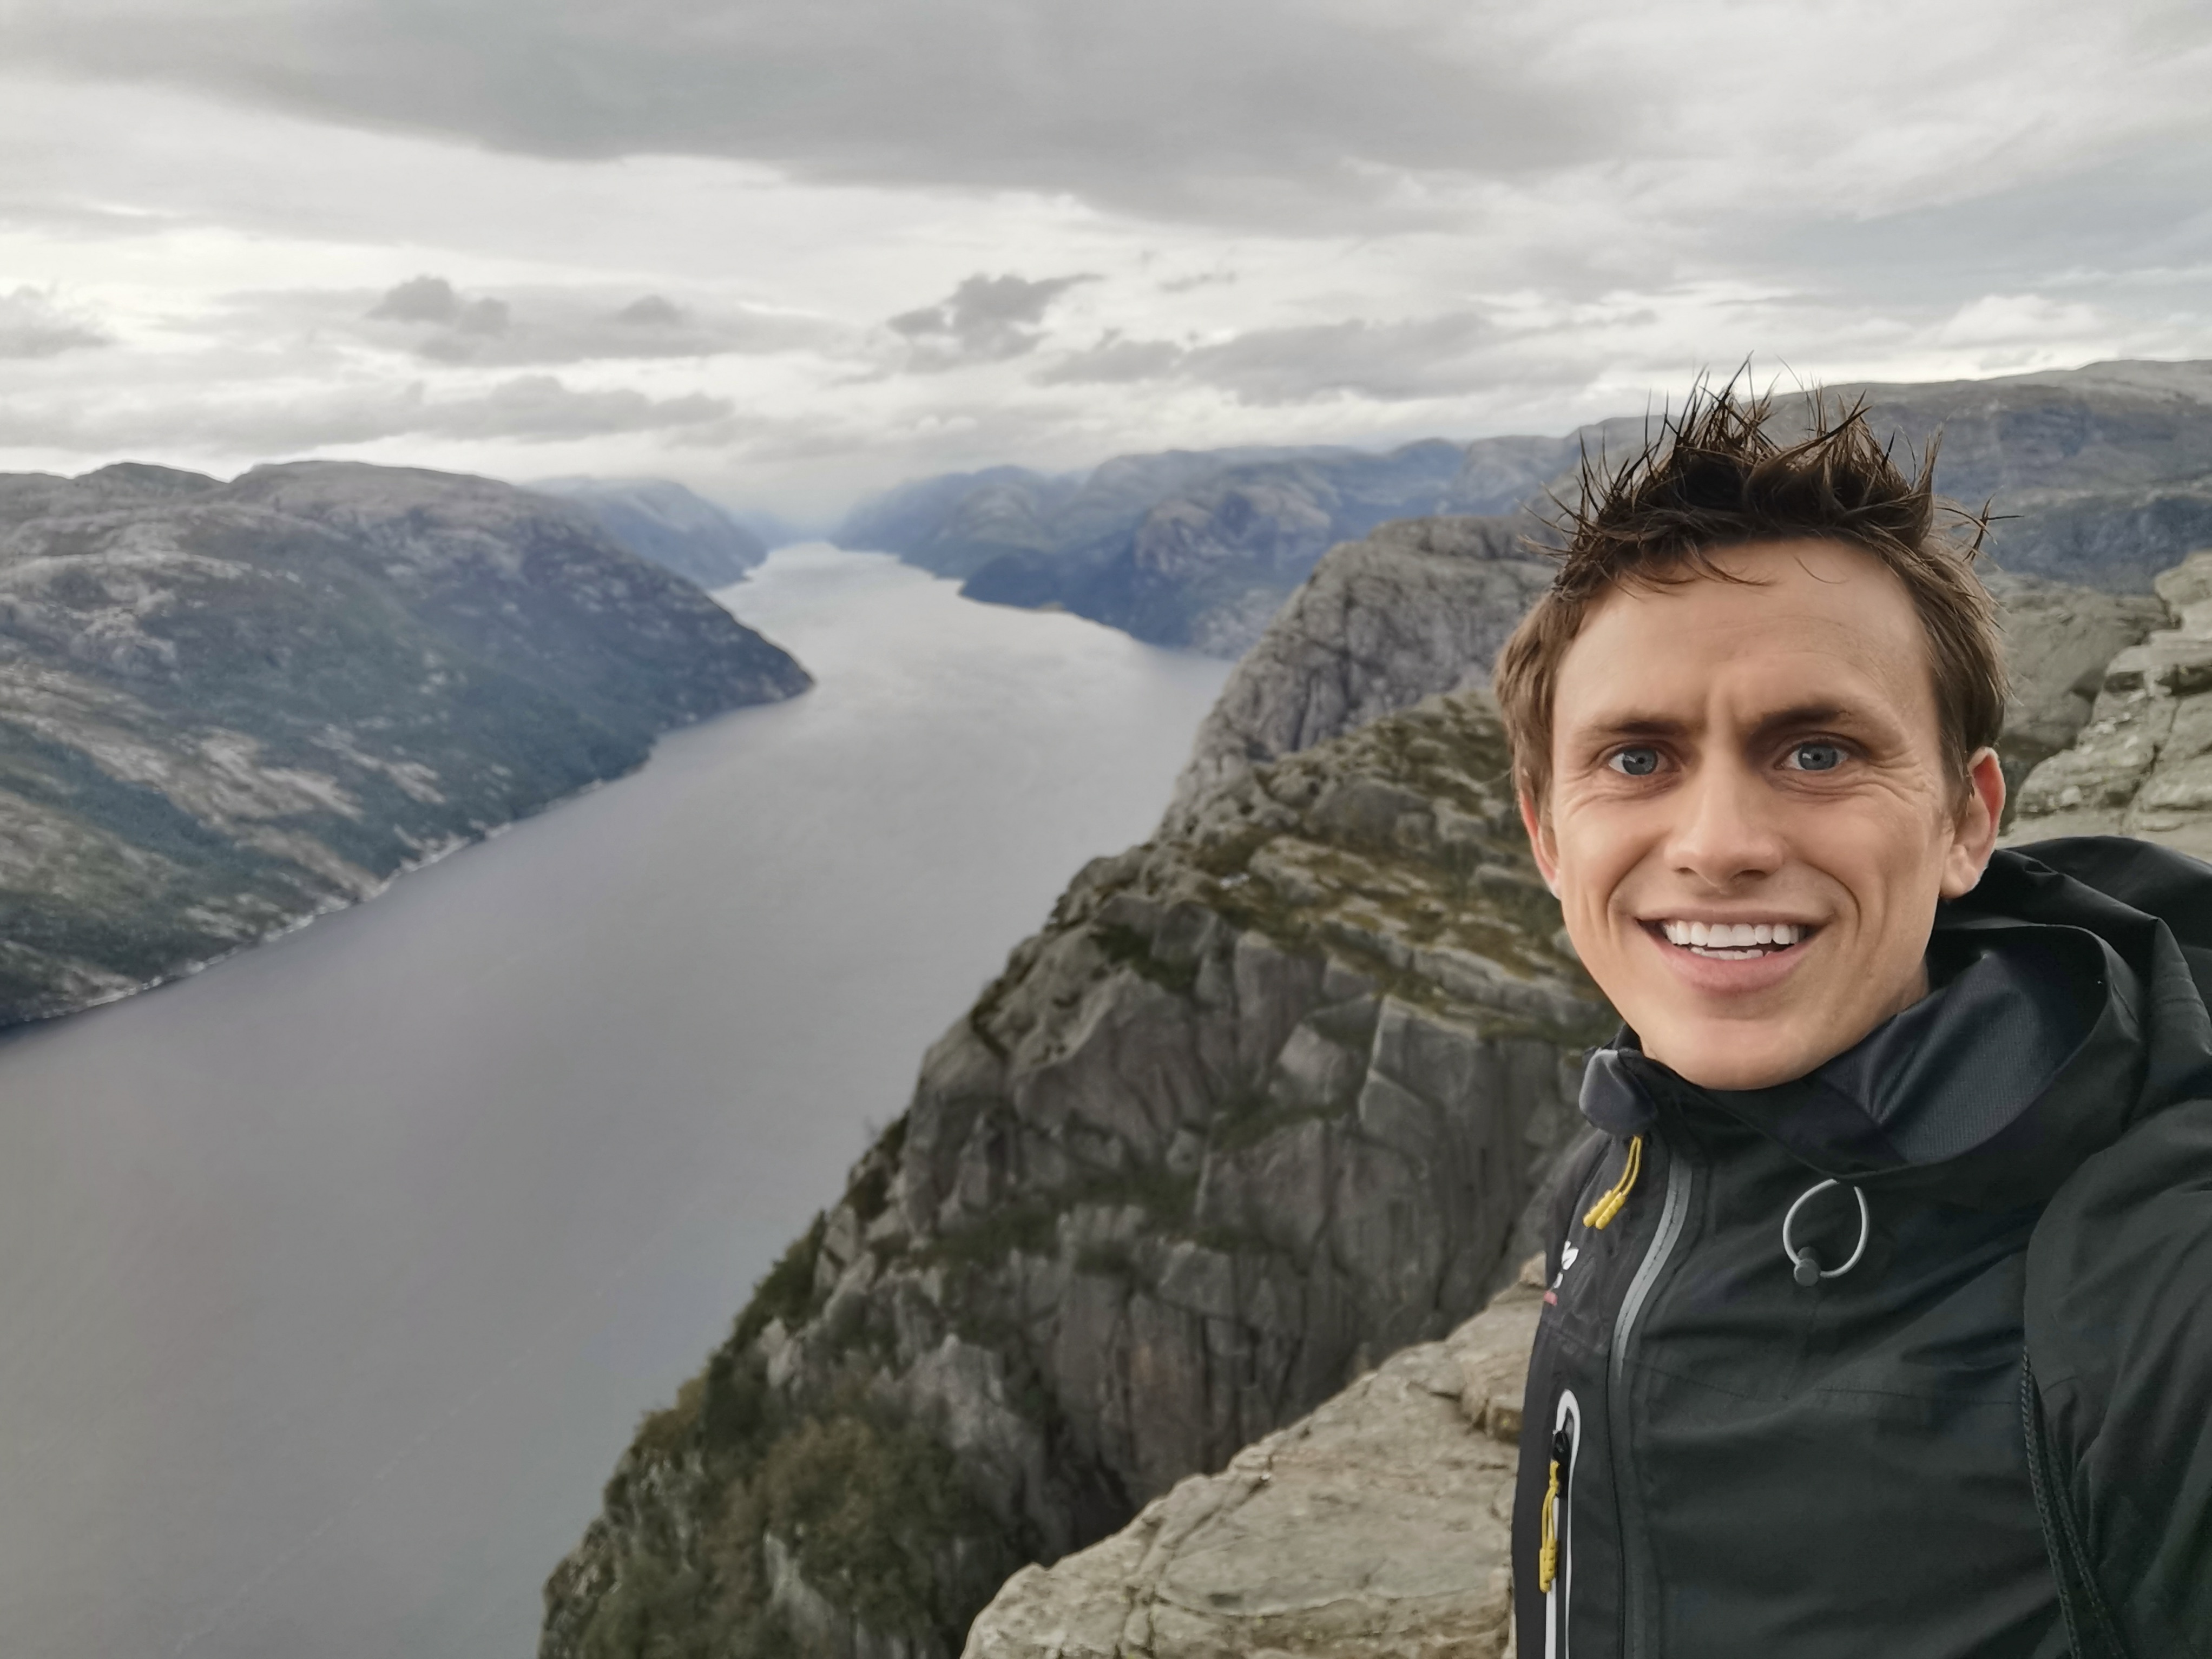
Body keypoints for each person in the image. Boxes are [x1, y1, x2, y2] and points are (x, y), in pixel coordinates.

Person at [1493, 382, 2212, 1659]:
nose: (1718, 846)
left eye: (1816, 751)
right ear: (1549, 835)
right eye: (1636, 758)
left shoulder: (2142, 1280)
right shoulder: (1629, 1153)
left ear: (1965, 821)